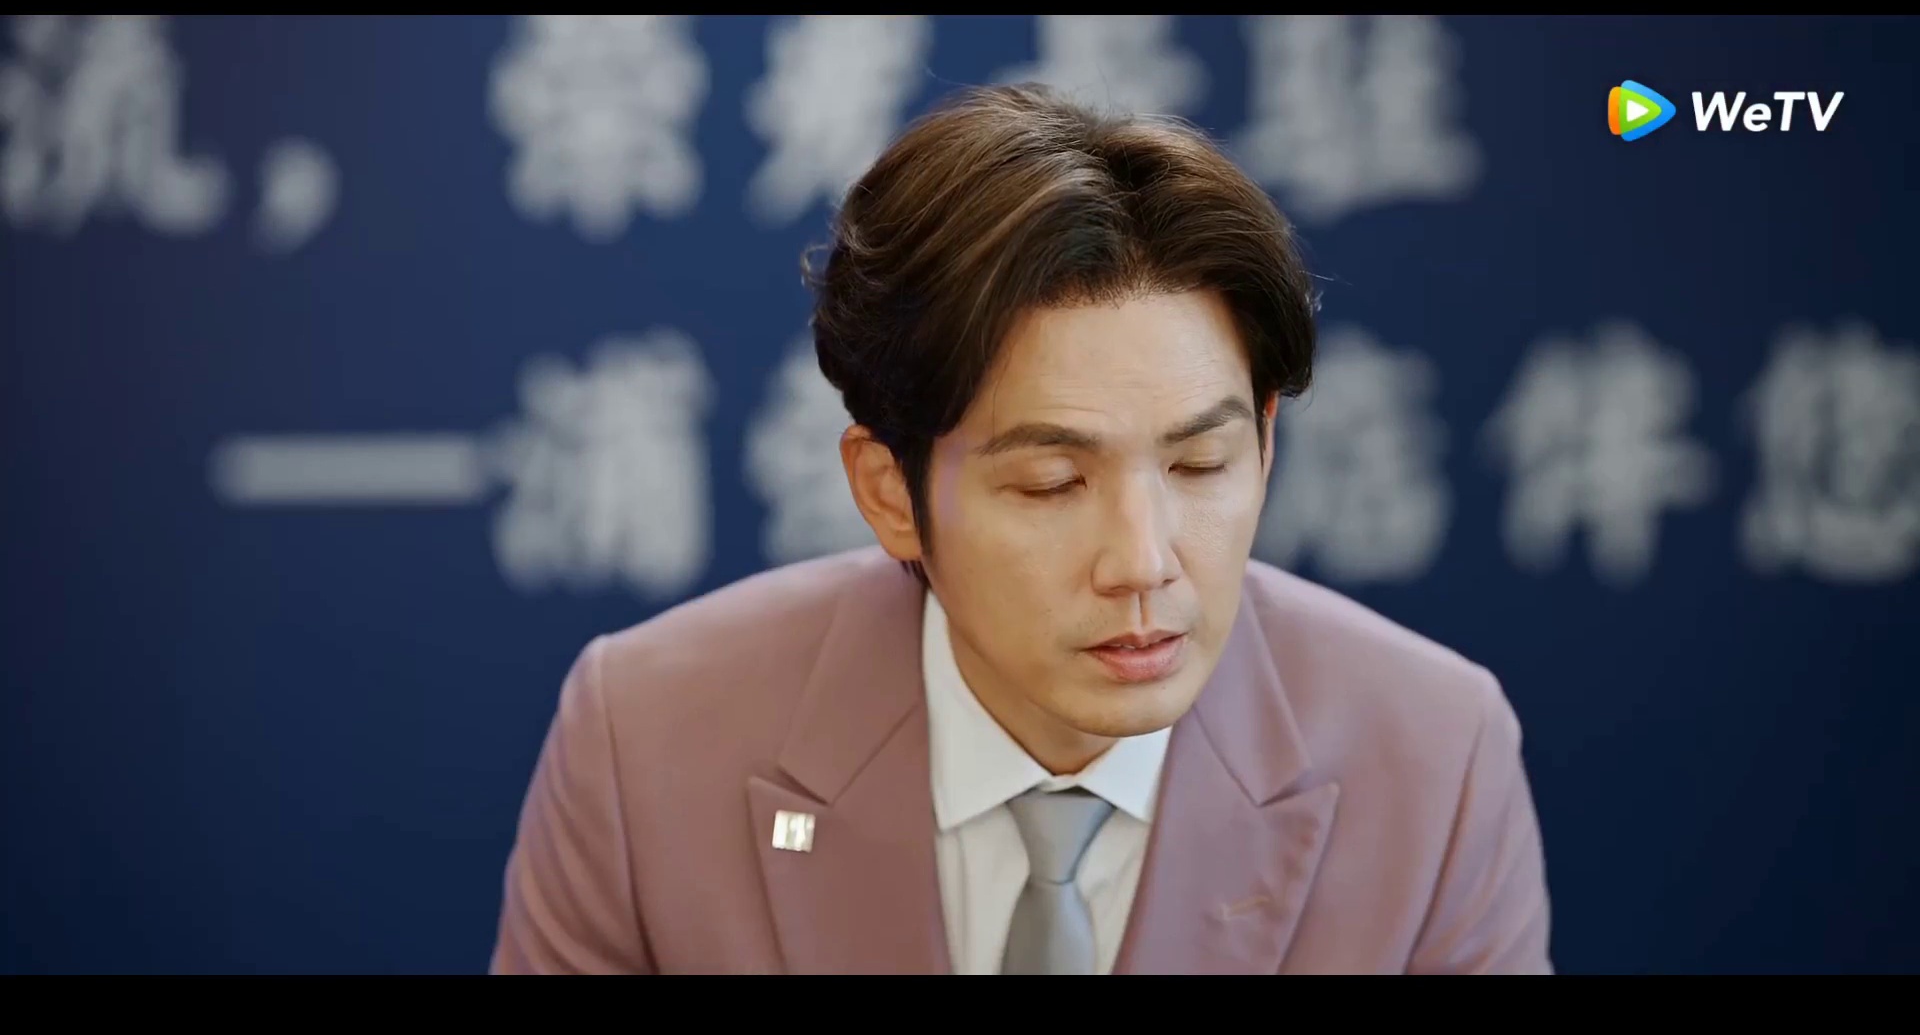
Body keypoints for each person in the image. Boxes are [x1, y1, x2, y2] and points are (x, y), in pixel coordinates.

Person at [489, 83, 1553, 976]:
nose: (1143, 562)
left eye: (1200, 465)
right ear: (889, 491)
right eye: (1052, 482)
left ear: (1265, 444)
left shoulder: (1435, 760)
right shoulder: (645, 739)